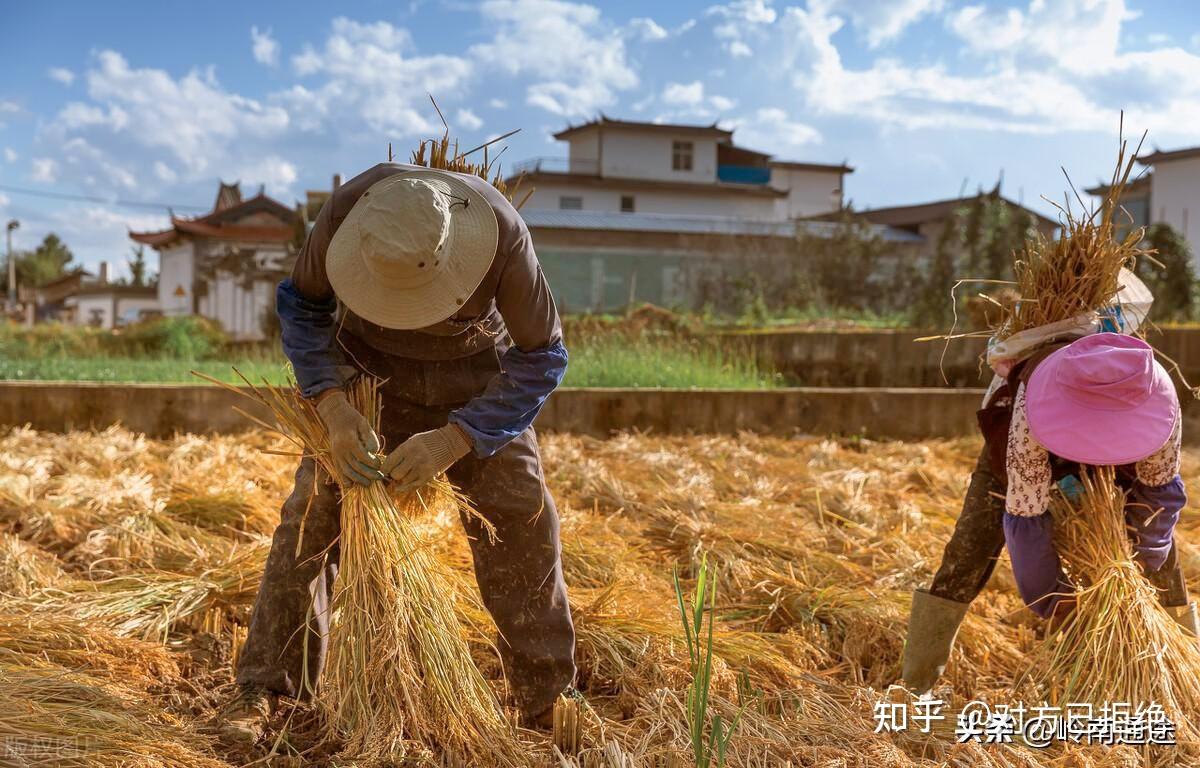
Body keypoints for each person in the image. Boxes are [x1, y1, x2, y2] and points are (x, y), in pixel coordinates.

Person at [220, 164, 576, 741]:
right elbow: (303, 309)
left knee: (521, 513)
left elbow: (543, 357)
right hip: (367, 379)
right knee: (313, 512)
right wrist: (334, 409)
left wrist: (457, 437)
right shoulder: (343, 214)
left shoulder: (501, 235)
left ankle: (546, 696)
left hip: (476, 385)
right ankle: (266, 685)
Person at [903, 328, 1195, 696]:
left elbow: (1157, 501)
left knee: (1162, 565)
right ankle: (916, 685)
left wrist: (1139, 562)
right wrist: (1053, 597)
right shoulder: (1032, 404)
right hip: (1023, 456)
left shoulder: (1161, 401)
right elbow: (1026, 516)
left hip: (1122, 473)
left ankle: (1183, 678)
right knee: (970, 549)